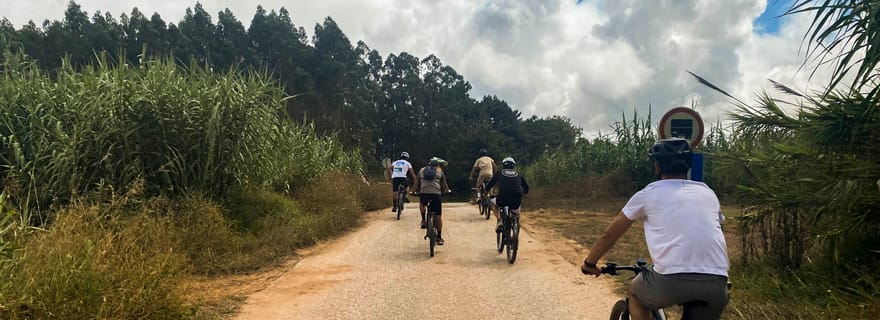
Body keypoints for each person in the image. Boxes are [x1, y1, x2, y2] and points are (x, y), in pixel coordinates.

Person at [580, 138, 729, 320]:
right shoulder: (708, 193)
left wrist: (590, 263)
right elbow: (717, 229)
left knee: (635, 294)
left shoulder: (648, 193)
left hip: (670, 279)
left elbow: (609, 235)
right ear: (688, 166)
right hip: (717, 282)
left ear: (657, 167)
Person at [412, 157, 451, 245]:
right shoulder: (439, 171)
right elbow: (444, 184)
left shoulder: (422, 170)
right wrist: (447, 191)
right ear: (437, 164)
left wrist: (413, 191)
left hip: (424, 193)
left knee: (422, 203)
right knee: (438, 216)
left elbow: (417, 182)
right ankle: (439, 237)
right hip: (435, 194)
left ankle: (423, 220)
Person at [485, 157, 529, 232]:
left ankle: (499, 221)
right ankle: (516, 225)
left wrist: (486, 190)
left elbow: (491, 183)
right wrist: (524, 194)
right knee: (516, 213)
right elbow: (526, 187)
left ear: (503, 165)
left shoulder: (499, 172)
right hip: (516, 200)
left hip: (502, 199)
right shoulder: (518, 174)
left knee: (492, 203)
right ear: (513, 166)